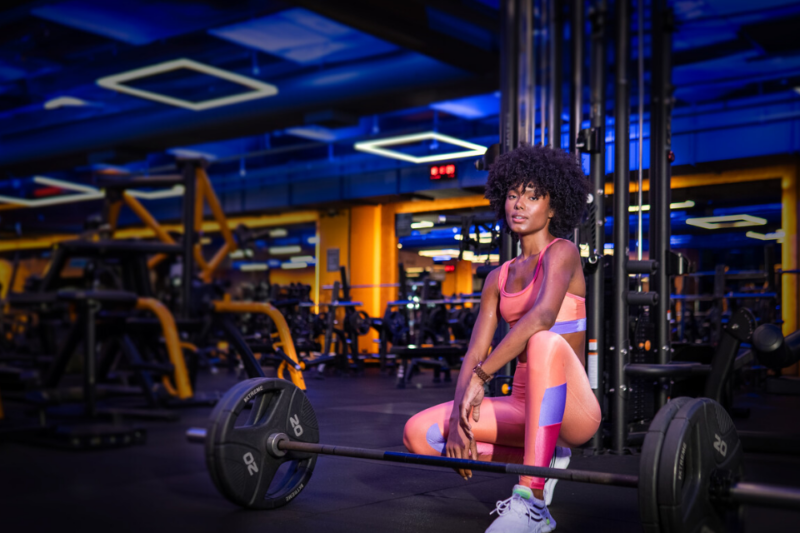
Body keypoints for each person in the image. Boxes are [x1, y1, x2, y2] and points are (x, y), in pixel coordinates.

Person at [403, 144, 600, 533]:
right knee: (420, 436)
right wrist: (461, 417)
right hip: (522, 406)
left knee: (542, 340)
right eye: (512, 195)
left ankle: (532, 502)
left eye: (532, 195)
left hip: (571, 410)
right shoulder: (498, 276)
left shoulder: (563, 253)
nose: (519, 204)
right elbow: (476, 349)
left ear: (553, 206)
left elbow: (542, 317)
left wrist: (482, 377)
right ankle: (547, 457)